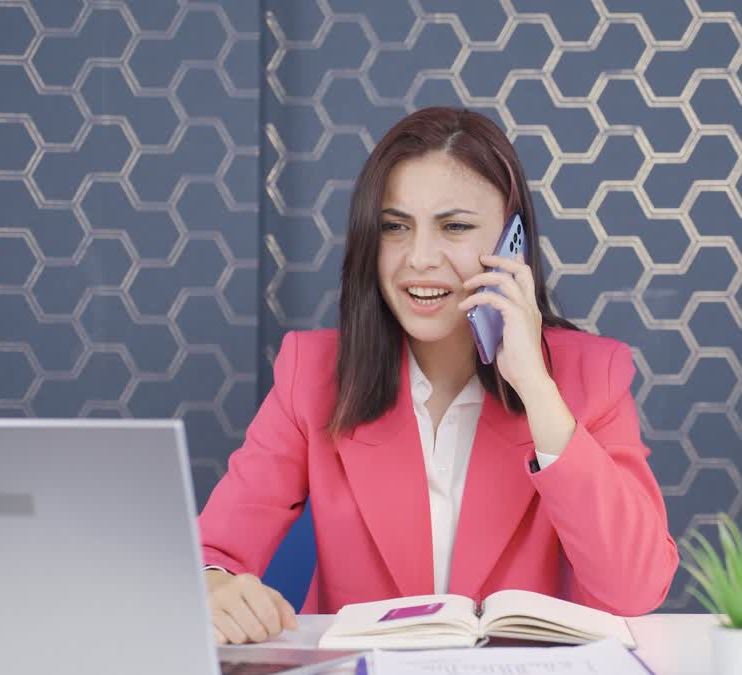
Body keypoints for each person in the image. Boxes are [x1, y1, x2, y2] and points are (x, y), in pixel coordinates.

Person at [198, 107, 678, 645]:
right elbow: (212, 553)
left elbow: (636, 589)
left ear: (511, 240)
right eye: (395, 227)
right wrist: (212, 586)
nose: (419, 258)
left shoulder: (592, 376)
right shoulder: (309, 374)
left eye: (455, 227)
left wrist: (537, 389)